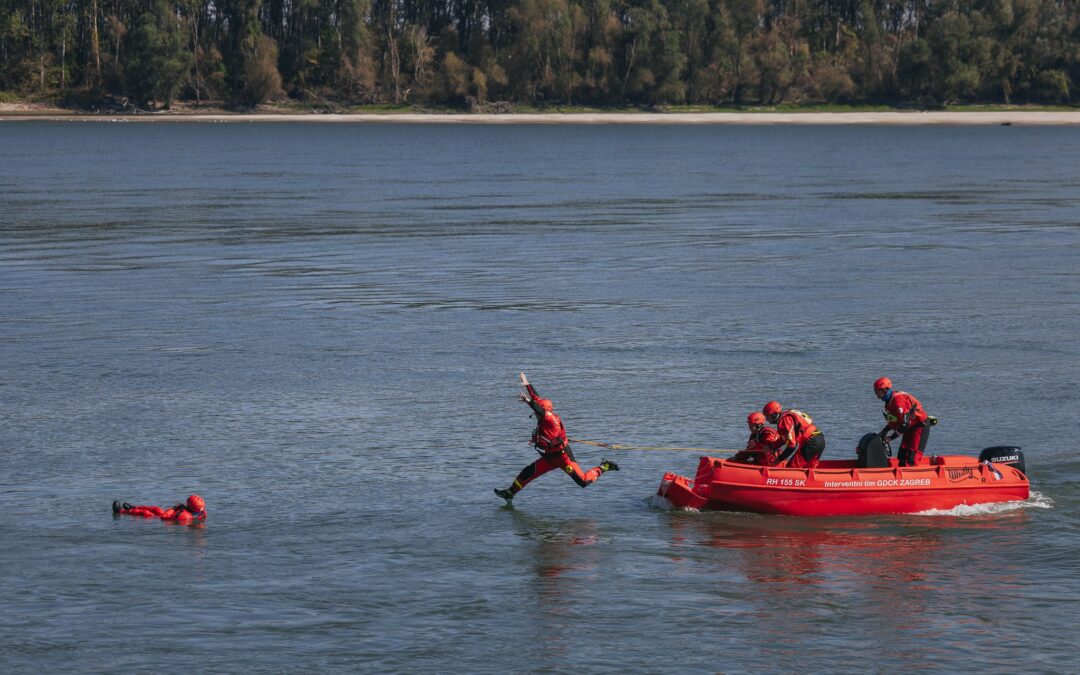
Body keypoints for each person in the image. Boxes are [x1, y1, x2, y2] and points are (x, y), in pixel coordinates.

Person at [494, 372, 618, 502]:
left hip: (563, 456)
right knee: (528, 472)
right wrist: (527, 384)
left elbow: (538, 408)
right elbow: (537, 400)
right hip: (549, 457)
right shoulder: (544, 413)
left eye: (536, 412)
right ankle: (510, 493)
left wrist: (529, 402)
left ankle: (604, 466)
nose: (535, 414)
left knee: (583, 482)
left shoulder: (549, 418)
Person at [874, 376, 934, 467]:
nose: (876, 394)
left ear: (885, 390)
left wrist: (890, 438)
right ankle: (901, 475)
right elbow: (894, 421)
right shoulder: (889, 403)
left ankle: (913, 478)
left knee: (912, 457)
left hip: (919, 426)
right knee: (902, 454)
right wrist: (883, 432)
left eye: (877, 391)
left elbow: (905, 423)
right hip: (910, 427)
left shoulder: (898, 401)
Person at [763, 401, 825, 468]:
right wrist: (772, 446)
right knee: (809, 468)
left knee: (791, 469)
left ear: (774, 414)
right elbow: (785, 438)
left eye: (767, 416)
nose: (766, 419)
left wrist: (778, 459)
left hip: (811, 442)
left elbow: (792, 446)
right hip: (820, 439)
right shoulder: (789, 414)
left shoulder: (785, 420)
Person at [112, 494, 207, 524]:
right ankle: (133, 507)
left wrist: (175, 508)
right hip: (168, 515)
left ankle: (120, 511)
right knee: (156, 509)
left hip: (163, 518)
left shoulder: (184, 515)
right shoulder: (200, 512)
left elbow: (164, 517)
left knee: (146, 513)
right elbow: (204, 516)